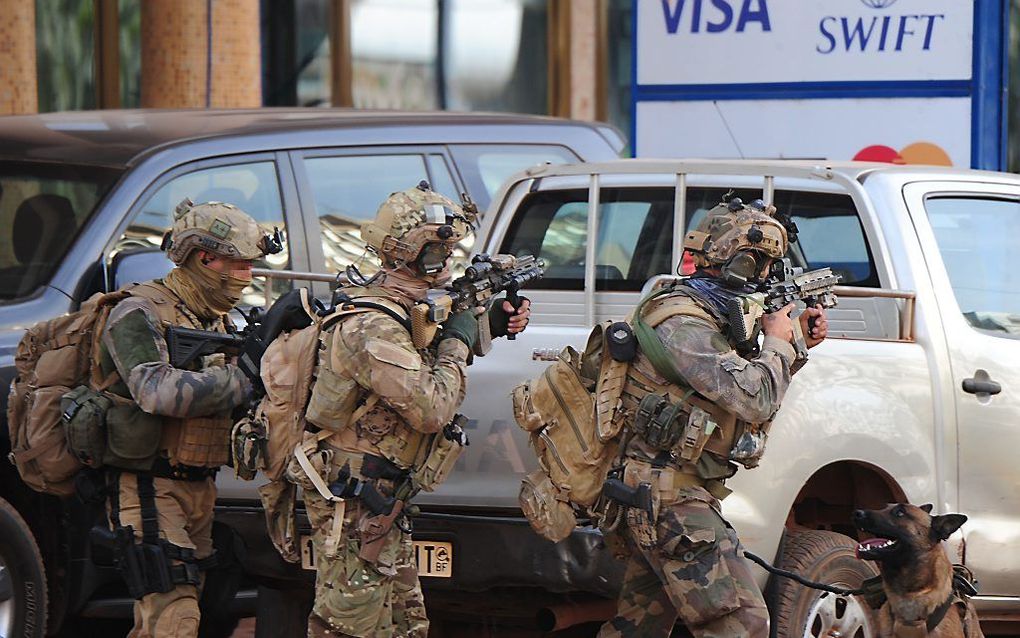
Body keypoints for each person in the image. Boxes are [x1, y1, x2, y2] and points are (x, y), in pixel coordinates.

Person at [298, 182, 530, 638]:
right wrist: (459, 343)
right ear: (408, 252)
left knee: (406, 627)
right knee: (348, 628)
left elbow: (422, 356)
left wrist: (489, 325)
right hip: (353, 503)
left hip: (383, 500)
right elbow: (431, 408)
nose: (445, 263)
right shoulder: (373, 325)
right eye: (437, 253)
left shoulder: (407, 311)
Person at [598, 197, 829, 638]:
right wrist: (781, 343)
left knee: (638, 627)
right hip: (669, 498)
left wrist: (796, 345)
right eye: (755, 265)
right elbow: (753, 399)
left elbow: (740, 388)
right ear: (728, 257)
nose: (761, 277)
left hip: (665, 491)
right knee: (741, 624)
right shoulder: (680, 320)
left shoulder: (711, 314)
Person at [95, 199, 277, 637]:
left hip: (200, 488)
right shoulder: (137, 312)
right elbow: (154, 391)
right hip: (148, 488)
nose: (247, 277)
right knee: (173, 620)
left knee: (191, 615)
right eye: (238, 265)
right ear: (203, 258)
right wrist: (242, 378)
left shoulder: (214, 321)